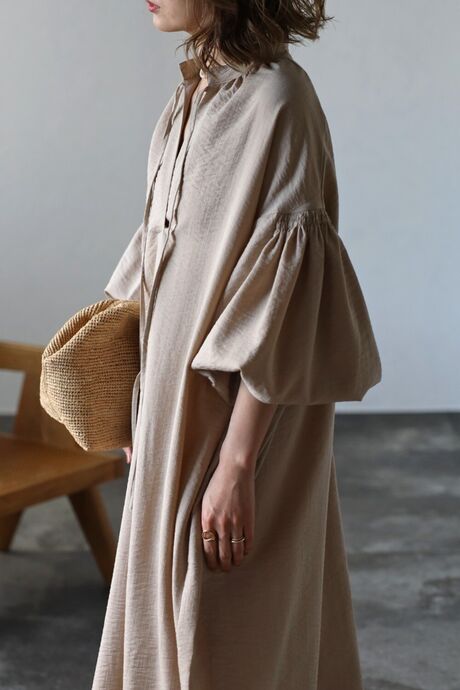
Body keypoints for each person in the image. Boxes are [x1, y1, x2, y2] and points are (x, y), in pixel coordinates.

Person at [92, 0, 382, 688]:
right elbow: (160, 261)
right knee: (173, 609)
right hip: (175, 410)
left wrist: (238, 462)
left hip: (238, 418)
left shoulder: (280, 101)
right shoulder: (191, 99)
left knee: (230, 623)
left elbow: (287, 295)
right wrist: (138, 398)